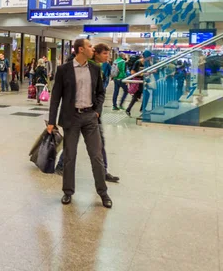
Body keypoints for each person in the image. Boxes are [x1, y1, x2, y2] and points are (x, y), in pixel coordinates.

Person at [47, 38, 111, 209]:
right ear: (81, 49)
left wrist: (97, 111)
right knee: (69, 157)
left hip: (90, 117)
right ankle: (68, 191)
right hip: (71, 118)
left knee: (96, 157)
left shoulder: (95, 69)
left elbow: (100, 93)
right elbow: (55, 98)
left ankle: (103, 192)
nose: (92, 49)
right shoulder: (64, 70)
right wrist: (51, 121)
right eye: (90, 46)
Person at [89, 43, 120, 183]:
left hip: (94, 112)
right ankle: (61, 165)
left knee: (100, 142)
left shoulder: (100, 67)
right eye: (105, 54)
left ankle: (104, 171)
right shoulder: (87, 67)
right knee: (73, 141)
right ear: (96, 53)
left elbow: (100, 91)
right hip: (83, 111)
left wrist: (98, 110)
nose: (108, 57)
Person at [126, 51, 151, 117]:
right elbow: (132, 72)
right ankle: (142, 109)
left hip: (143, 81)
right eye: (149, 56)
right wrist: (142, 74)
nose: (150, 58)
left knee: (136, 96)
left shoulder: (147, 63)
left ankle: (128, 109)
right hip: (138, 81)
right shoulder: (138, 62)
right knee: (146, 94)